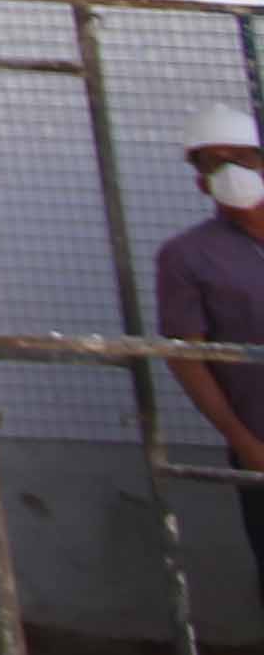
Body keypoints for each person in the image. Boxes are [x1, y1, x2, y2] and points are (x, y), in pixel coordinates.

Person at [163, 105, 264, 585]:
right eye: (212, 162)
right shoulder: (187, 256)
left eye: (243, 158)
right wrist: (243, 441)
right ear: (199, 180)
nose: (231, 172)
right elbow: (188, 359)